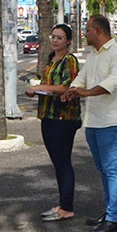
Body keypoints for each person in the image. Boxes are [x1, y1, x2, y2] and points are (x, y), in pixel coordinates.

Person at [61, 13, 117, 232]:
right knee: (103, 170)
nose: (85, 33)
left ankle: (114, 219)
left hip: (112, 120)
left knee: (112, 170)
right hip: (94, 121)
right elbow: (82, 77)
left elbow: (114, 82)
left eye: (88, 29)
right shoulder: (93, 55)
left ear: (98, 31)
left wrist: (87, 92)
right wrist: (73, 90)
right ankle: (110, 211)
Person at [25, 23, 82, 222]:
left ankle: (67, 207)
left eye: (59, 37)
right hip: (48, 115)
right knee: (58, 163)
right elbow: (49, 86)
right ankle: (63, 204)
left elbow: (67, 86)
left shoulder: (70, 61)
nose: (55, 40)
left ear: (68, 41)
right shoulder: (52, 59)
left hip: (64, 117)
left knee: (63, 162)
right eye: (53, 37)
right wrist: (36, 90)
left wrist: (42, 86)